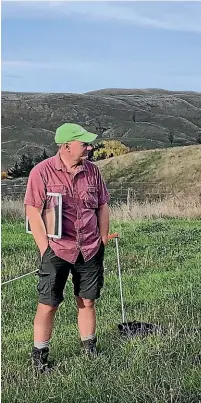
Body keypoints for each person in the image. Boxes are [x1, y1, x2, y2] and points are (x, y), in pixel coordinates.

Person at [24, 123, 110, 373]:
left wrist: (102, 238)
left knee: (87, 301)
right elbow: (32, 210)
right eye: (84, 144)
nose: (89, 148)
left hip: (90, 248)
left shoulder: (93, 172)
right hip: (57, 250)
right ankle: (40, 357)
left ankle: (89, 350)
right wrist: (45, 248)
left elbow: (103, 204)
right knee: (48, 304)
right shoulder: (41, 172)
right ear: (66, 147)